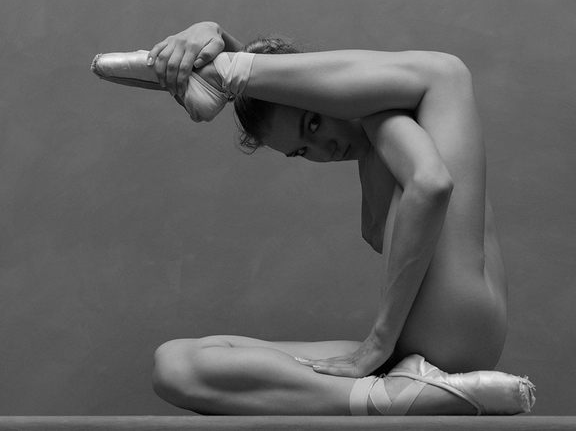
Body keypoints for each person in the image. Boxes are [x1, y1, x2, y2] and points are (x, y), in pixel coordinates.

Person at [91, 21, 534, 416]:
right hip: (419, 358)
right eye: (303, 151)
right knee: (176, 364)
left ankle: (225, 72)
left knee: (447, 73)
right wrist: (216, 37)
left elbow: (431, 184)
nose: (325, 150)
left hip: (453, 333)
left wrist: (378, 342)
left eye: (315, 125)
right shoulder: (382, 131)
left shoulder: (382, 118)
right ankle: (394, 399)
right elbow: (294, 95)